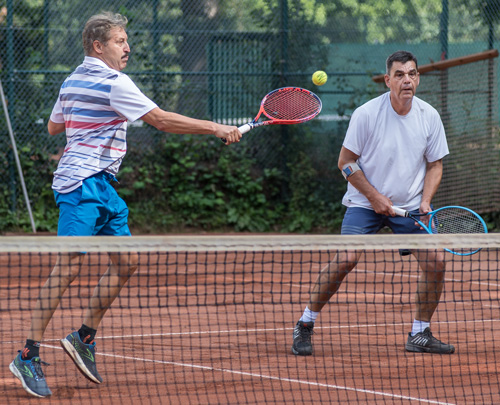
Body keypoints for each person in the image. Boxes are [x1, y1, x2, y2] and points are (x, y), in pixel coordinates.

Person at [9, 12, 242, 398]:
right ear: (98, 46)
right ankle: (27, 354)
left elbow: (54, 127)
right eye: (120, 41)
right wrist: (215, 127)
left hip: (103, 185)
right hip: (81, 186)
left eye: (126, 40)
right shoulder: (115, 82)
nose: (128, 47)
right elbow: (161, 121)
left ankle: (83, 337)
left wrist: (93, 121)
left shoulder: (71, 80)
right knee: (67, 268)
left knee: (128, 261)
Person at [291, 50, 454, 357]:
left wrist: (426, 200)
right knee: (346, 259)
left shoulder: (429, 116)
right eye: (400, 74)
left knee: (437, 262)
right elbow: (346, 163)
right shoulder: (366, 114)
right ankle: (305, 323)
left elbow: (435, 165)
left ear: (418, 78)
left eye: (412, 74)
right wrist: (374, 197)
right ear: (387, 80)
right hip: (364, 204)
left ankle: (420, 333)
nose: (407, 80)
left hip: (408, 206)